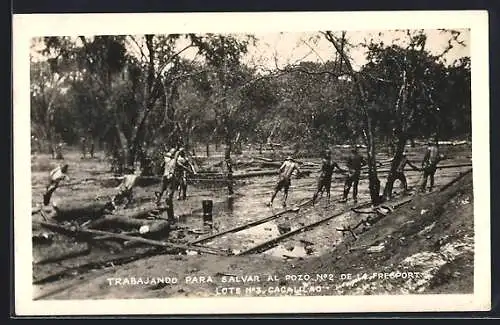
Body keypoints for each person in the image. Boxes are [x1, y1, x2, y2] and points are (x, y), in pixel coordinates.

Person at [155, 148, 180, 222]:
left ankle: (170, 217)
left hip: (170, 180)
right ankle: (158, 213)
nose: (166, 158)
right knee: (159, 195)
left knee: (168, 199)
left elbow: (176, 156)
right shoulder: (166, 161)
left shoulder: (173, 161)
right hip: (165, 178)